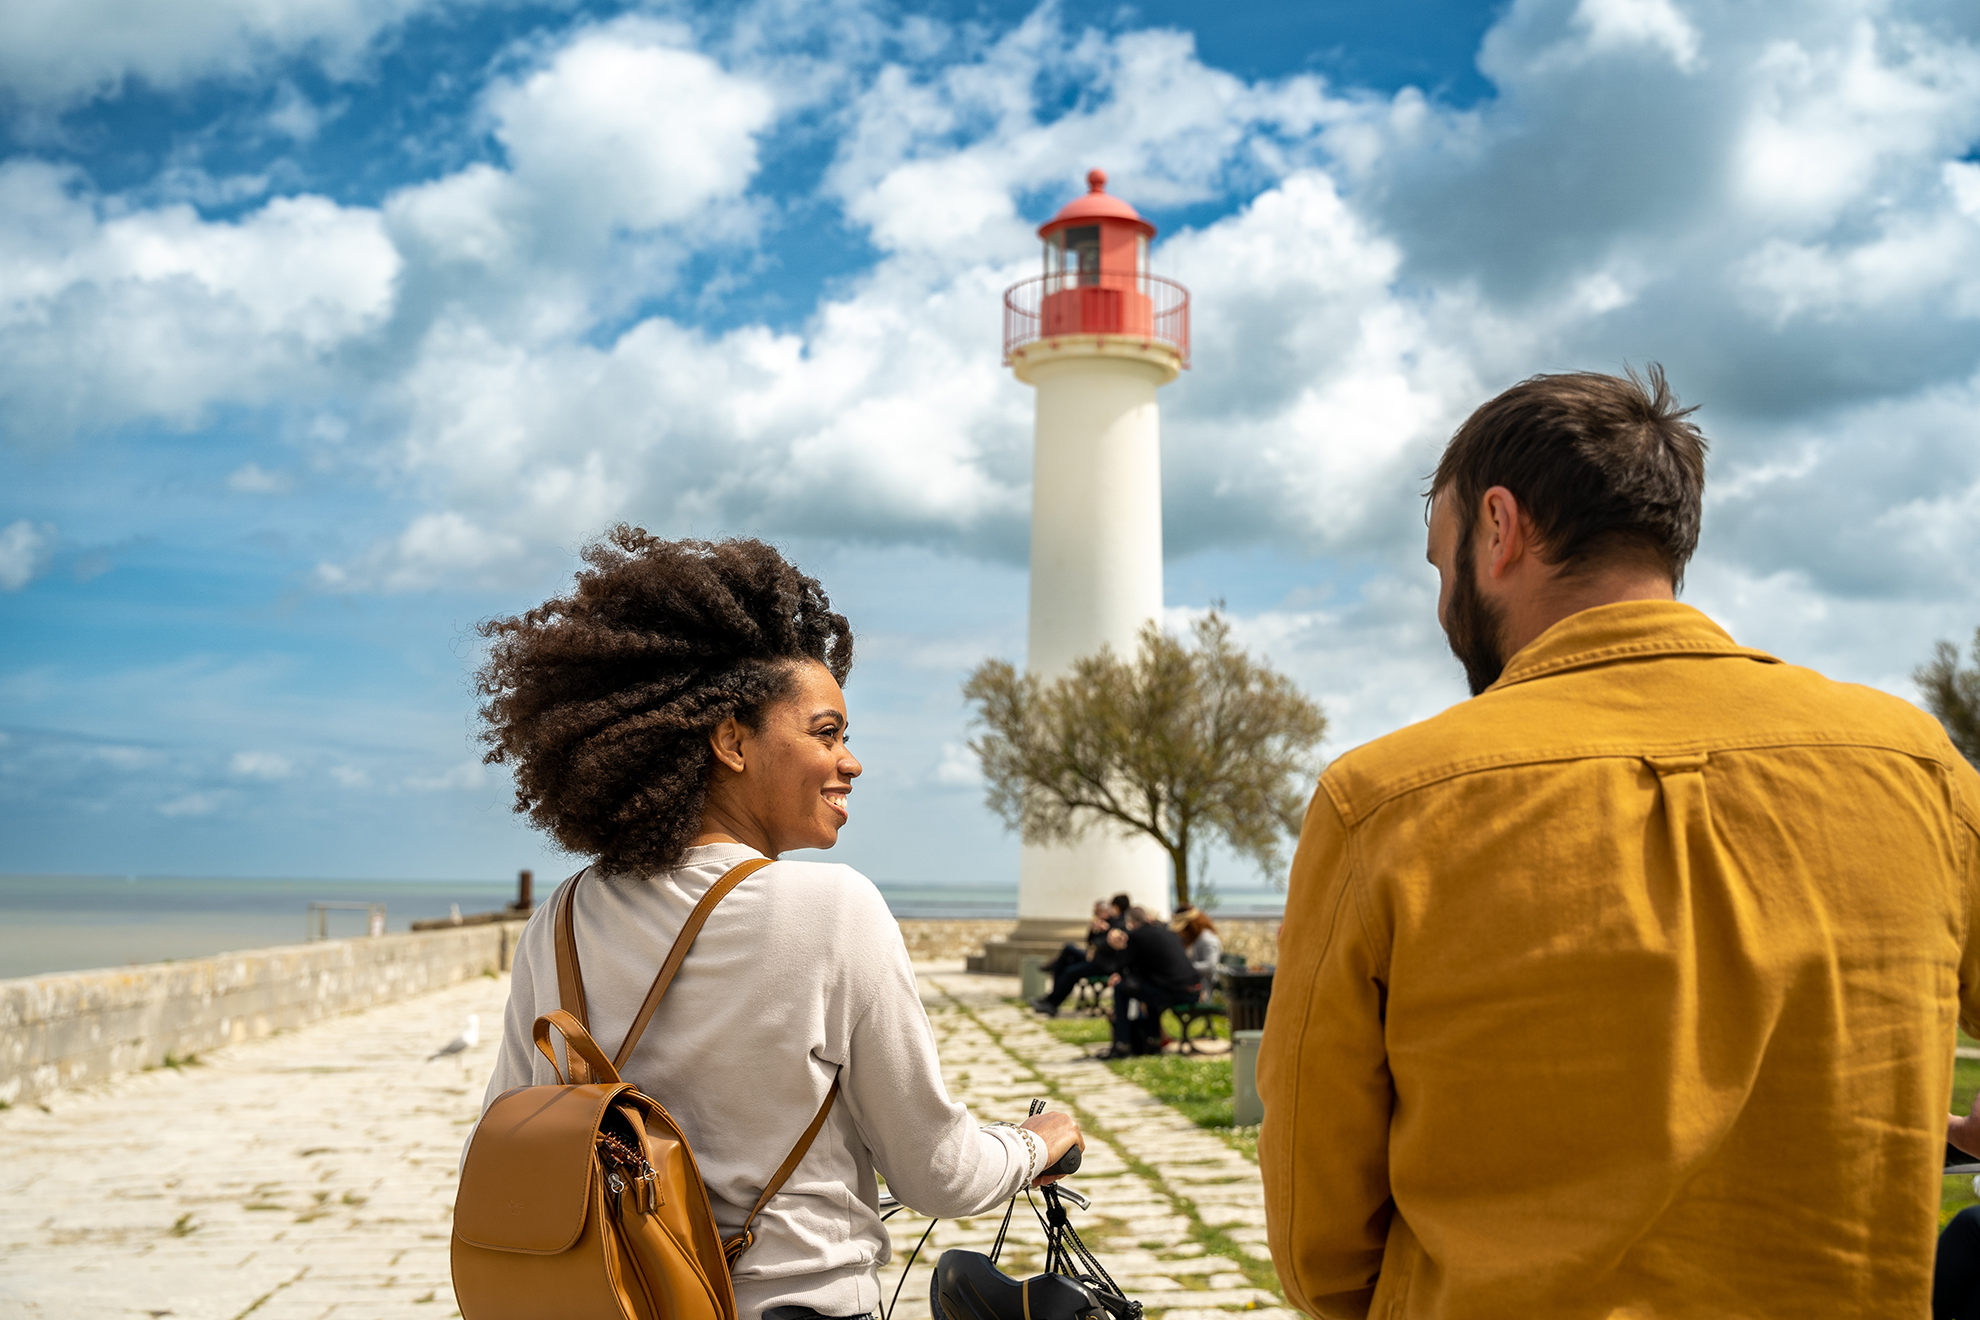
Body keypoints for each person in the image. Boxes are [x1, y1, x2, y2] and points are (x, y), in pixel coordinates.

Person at [1257, 368, 1980, 1318]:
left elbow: (1319, 1227)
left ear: (1500, 528)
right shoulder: (1917, 765)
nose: (1442, 608)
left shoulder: (1384, 804)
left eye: (1441, 567)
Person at [475, 528, 1082, 1320]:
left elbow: (498, 1143)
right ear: (730, 739)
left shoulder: (563, 914)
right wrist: (1040, 1141)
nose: (851, 762)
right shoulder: (833, 910)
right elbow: (937, 1174)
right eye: (826, 733)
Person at [1101, 906, 1201, 1058]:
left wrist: (1118, 947)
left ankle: (1122, 1043)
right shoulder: (1167, 933)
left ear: (1131, 923)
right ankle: (1154, 1041)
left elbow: (1123, 966)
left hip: (1176, 992)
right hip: (1193, 989)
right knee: (1149, 993)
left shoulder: (1137, 936)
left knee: (1121, 989)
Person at [1030, 900, 1122, 1017]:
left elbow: (1110, 945)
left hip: (1103, 964)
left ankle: (1051, 1001)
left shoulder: (1116, 923)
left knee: (1070, 971)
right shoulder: (1102, 922)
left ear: (1104, 911)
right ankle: (1050, 1001)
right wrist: (1094, 930)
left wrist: (1106, 930)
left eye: (1096, 911)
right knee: (1062, 963)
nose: (1094, 914)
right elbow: (1090, 942)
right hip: (1094, 958)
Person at [1169, 906, 1222, 998]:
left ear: (1190, 926)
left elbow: (1211, 965)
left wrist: (1185, 967)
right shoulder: (1193, 939)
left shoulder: (1207, 939)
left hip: (1205, 988)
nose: (1180, 932)